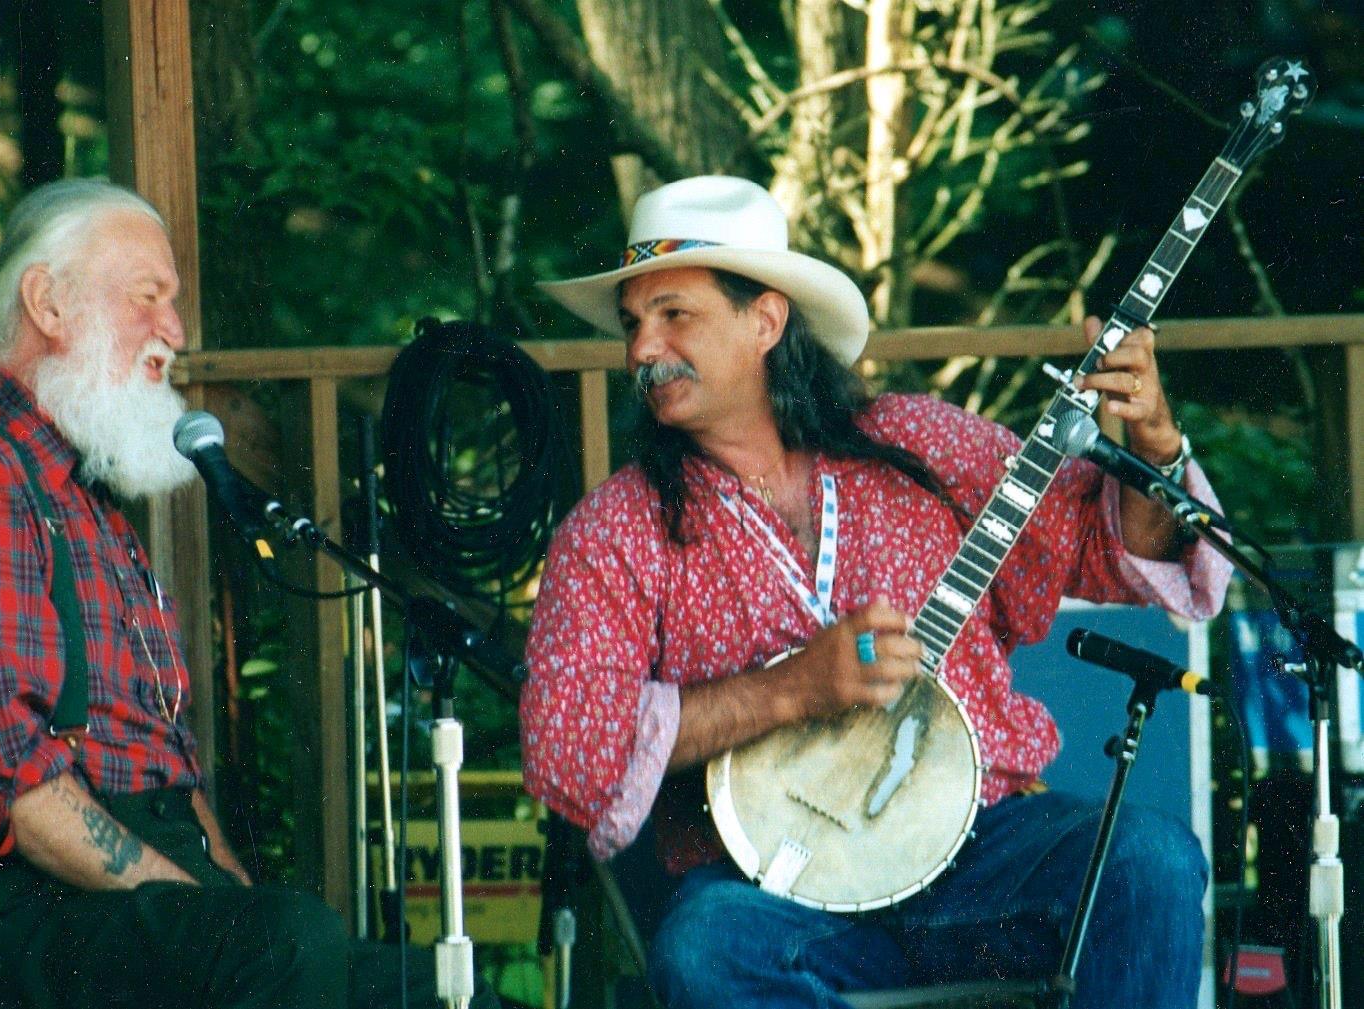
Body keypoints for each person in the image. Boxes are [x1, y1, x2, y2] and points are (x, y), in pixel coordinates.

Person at [520, 175, 1230, 1008]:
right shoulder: (615, 531)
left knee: (1152, 860)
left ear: (765, 320)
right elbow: (566, 745)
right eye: (634, 322)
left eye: (674, 313)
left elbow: (1102, 544)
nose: (642, 347)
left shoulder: (913, 442)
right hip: (779, 888)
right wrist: (789, 689)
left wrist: (1151, 434)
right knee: (704, 948)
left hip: (981, 856)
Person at [0, 179, 491, 1009]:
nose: (175, 332)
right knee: (288, 944)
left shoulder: (83, 501)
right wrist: (224, 917)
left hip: (101, 910)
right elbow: (17, 791)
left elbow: (167, 776)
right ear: (49, 303)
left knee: (436, 991)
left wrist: (230, 901)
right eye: (150, 297)